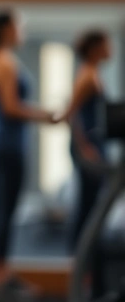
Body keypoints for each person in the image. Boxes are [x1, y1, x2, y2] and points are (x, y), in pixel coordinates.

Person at [0, 9, 57, 302]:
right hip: (5, 144)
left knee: (1, 209)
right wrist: (44, 115)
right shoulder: (3, 61)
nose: (22, 29)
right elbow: (11, 107)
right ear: (6, 30)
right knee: (4, 210)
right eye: (18, 25)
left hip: (0, 143)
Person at [57, 29, 113, 298]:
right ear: (94, 48)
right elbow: (72, 113)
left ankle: (89, 268)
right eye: (106, 44)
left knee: (94, 205)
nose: (110, 48)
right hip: (88, 147)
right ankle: (81, 267)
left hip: (94, 144)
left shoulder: (92, 72)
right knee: (88, 207)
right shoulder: (87, 75)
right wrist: (85, 147)